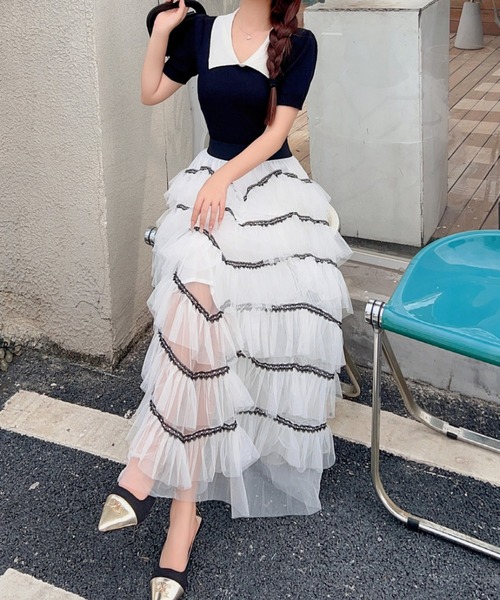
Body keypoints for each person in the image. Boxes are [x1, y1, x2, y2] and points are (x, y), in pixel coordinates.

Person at [98, 0, 352, 598]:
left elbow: (277, 134)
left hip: (266, 189)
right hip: (211, 185)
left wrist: (221, 178)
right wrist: (163, 32)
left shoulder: (298, 44)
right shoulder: (204, 32)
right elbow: (150, 92)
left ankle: (152, 478)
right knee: (197, 322)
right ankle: (180, 516)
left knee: (196, 328)